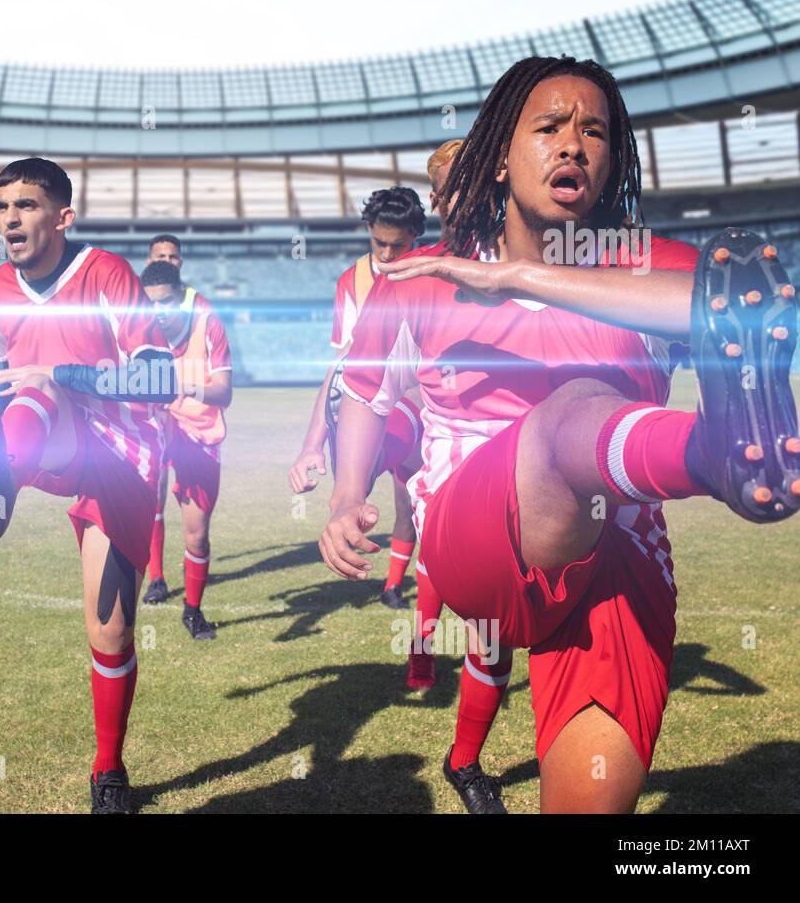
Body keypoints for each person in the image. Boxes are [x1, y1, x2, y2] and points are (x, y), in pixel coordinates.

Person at [320, 55, 798, 812]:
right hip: (476, 541)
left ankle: (712, 455)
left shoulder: (638, 265)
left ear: (612, 162)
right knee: (573, 406)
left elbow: (749, 300)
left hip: (620, 549)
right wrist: (347, 493)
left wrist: (524, 278)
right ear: (501, 158)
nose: (573, 143)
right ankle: (712, 455)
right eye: (548, 127)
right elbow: (364, 392)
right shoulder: (420, 274)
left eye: (595, 131)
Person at [0, 158, 180, 813]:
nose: (12, 217)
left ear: (63, 216)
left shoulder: (108, 274)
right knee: (23, 397)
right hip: (48, 436)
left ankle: (109, 771)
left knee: (109, 633)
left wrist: (65, 374)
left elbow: (160, 381)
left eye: (28, 205)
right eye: (3, 206)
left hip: (120, 452)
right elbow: (2, 377)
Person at [288, 187, 428, 612]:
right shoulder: (350, 281)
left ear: (416, 236)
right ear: (368, 230)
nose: (387, 254)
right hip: (369, 409)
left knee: (413, 508)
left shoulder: (430, 272)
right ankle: (350, 516)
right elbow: (339, 367)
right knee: (361, 489)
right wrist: (311, 444)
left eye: (398, 245)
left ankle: (394, 589)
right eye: (379, 243)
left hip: (420, 407)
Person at [138, 260, 234, 639]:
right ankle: (153, 579)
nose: (158, 313)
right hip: (158, 426)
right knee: (143, 507)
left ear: (181, 298)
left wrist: (184, 389)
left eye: (166, 303)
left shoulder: (207, 320)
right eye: (151, 305)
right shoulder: (138, 327)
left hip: (198, 430)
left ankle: (192, 611)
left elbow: (224, 393)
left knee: (196, 532)